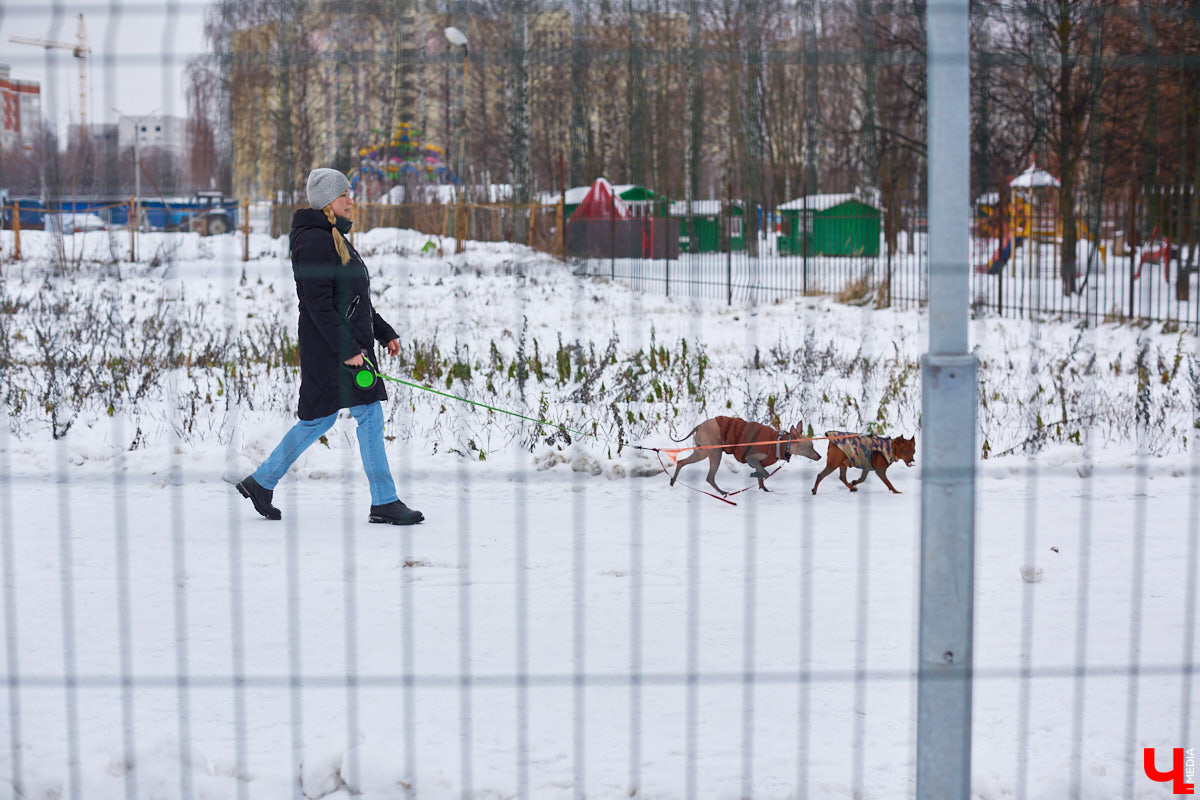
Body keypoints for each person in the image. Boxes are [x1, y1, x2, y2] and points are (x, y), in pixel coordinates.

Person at [237, 168, 423, 526]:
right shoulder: (314, 240)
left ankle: (261, 482)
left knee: (321, 420)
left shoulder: (333, 236)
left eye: (350, 194)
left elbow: (354, 300)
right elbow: (318, 304)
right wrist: (349, 349)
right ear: (327, 202)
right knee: (356, 416)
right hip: (332, 350)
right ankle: (384, 502)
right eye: (344, 195)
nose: (351, 199)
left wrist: (384, 332)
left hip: (342, 346)